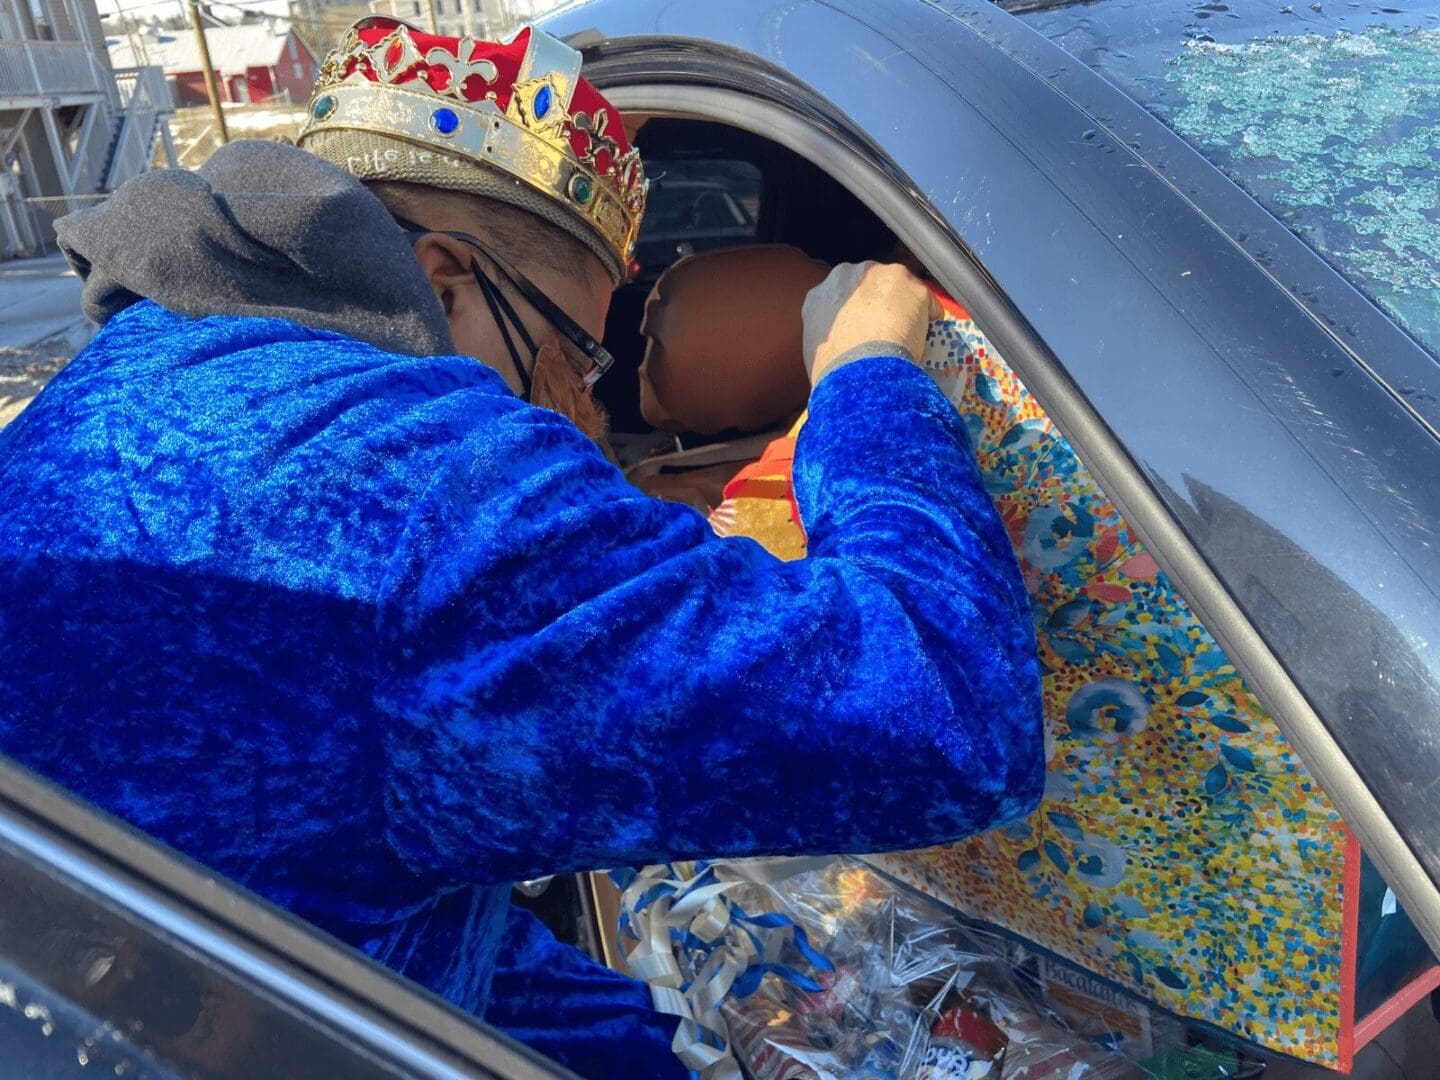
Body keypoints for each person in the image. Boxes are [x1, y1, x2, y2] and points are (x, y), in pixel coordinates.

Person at [0, 18, 1044, 1077]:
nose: (583, 402)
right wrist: (869, 375)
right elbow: (944, 708)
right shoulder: (425, 485)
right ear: (444, 279)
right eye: (575, 347)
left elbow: (374, 914)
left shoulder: (136, 368)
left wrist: (683, 1052)